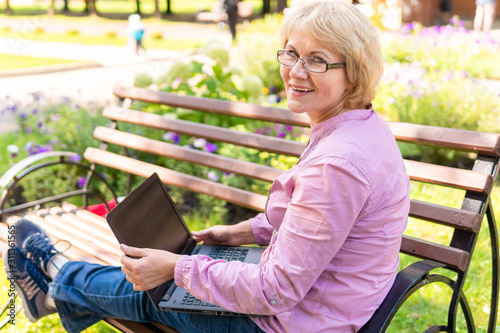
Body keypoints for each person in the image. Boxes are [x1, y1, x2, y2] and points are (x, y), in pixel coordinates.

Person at [5, 1, 410, 332]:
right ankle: (57, 288)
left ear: (353, 73)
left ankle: (56, 278)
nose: (296, 71)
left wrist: (179, 268)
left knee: (152, 289)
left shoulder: (337, 165)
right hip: (328, 304)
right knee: (158, 277)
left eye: (317, 60)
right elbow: (315, 226)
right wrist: (236, 232)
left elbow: (275, 292)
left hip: (293, 323)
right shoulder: (359, 129)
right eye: (291, 53)